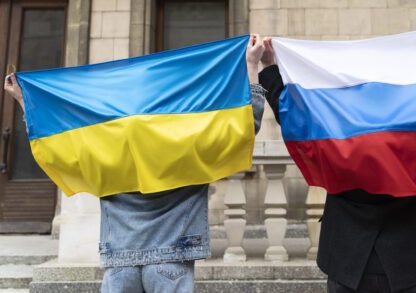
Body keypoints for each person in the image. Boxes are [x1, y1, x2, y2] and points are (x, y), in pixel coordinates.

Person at [4, 34, 268, 293]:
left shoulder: (105, 144)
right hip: (172, 257)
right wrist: (251, 65)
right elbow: (245, 126)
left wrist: (25, 101)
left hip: (121, 260)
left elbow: (54, 145)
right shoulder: (191, 141)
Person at [258, 16, 416, 293]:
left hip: (348, 257)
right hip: (407, 256)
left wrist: (269, 67)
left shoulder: (331, 133)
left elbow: (293, 116)